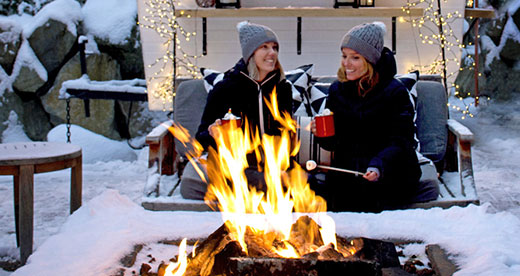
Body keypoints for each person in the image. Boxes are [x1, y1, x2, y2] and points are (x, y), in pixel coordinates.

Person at [312, 21, 421, 212]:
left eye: (355, 57)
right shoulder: (338, 90)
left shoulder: (394, 92)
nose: (347, 63)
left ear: (370, 60)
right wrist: (323, 135)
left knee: (368, 197)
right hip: (349, 171)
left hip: (389, 169)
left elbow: (401, 141)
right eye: (344, 56)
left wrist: (378, 165)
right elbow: (335, 144)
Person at [180, 21, 293, 200]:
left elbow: (286, 133)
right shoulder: (225, 89)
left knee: (297, 183)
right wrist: (213, 134)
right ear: (250, 54)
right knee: (193, 184)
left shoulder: (282, 89)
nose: (272, 53)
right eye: (264, 47)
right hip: (234, 165)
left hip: (270, 164)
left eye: (275, 47)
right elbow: (201, 139)